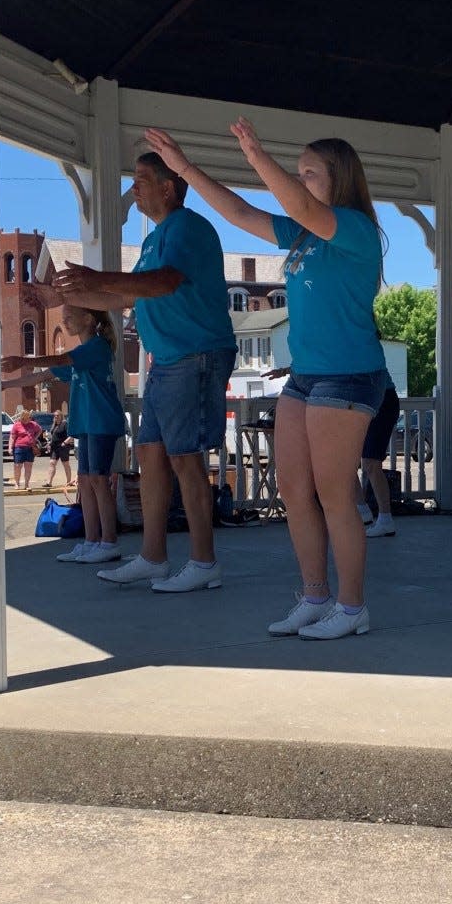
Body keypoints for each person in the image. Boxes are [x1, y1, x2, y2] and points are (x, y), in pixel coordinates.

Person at [145, 119, 387, 638]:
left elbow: (299, 206)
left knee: (334, 493)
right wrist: (184, 167)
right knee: (295, 491)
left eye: (310, 174)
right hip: (305, 378)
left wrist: (257, 155)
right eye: (296, 172)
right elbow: (238, 212)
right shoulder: (302, 234)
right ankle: (314, 596)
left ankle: (352, 607)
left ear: (339, 178)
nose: (300, 182)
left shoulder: (357, 230)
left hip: (349, 378)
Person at [51, 152, 238, 593]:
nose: (134, 187)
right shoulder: (156, 239)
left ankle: (204, 562)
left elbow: (164, 283)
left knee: (185, 459)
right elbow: (127, 297)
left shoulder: (187, 228)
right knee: (151, 456)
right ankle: (153, 557)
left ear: (168, 187)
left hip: (194, 356)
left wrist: (97, 277)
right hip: (166, 362)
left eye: (141, 179)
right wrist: (79, 292)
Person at [2, 306, 127, 564]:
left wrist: (23, 361)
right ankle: (91, 541)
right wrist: (5, 385)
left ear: (89, 319)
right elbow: (43, 376)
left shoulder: (96, 347)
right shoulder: (82, 356)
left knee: (98, 480)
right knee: (85, 481)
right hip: (88, 423)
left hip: (101, 421)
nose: (65, 321)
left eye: (69, 317)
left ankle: (109, 542)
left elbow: (60, 361)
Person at [356, 381, 401, 537]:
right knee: (346, 462)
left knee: (371, 463)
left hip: (381, 400)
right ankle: (362, 510)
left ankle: (385, 520)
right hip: (359, 402)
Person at [8, 407, 43, 491]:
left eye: (29, 417)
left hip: (30, 448)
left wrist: (35, 437)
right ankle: (17, 483)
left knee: (28, 467)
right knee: (17, 466)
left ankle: (27, 484)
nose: (28, 419)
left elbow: (40, 430)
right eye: (26, 418)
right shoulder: (17, 425)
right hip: (19, 447)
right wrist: (10, 448)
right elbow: (12, 437)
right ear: (22, 417)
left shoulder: (33, 424)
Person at [41, 410, 75, 490]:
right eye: (55, 416)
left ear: (61, 416)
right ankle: (49, 482)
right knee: (52, 463)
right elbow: (52, 437)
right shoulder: (54, 425)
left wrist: (65, 443)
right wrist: (49, 444)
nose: (56, 417)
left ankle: (68, 481)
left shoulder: (65, 424)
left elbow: (71, 435)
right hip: (54, 448)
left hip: (63, 447)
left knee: (65, 464)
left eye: (57, 415)